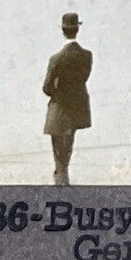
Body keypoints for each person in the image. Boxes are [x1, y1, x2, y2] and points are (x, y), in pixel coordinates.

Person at [42, 11, 92, 187]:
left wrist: (57, 91)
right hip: (77, 108)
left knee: (58, 154)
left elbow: (46, 87)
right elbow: (83, 79)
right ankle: (64, 183)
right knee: (68, 148)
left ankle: (61, 185)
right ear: (77, 29)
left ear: (63, 30)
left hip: (59, 109)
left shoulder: (56, 58)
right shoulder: (87, 56)